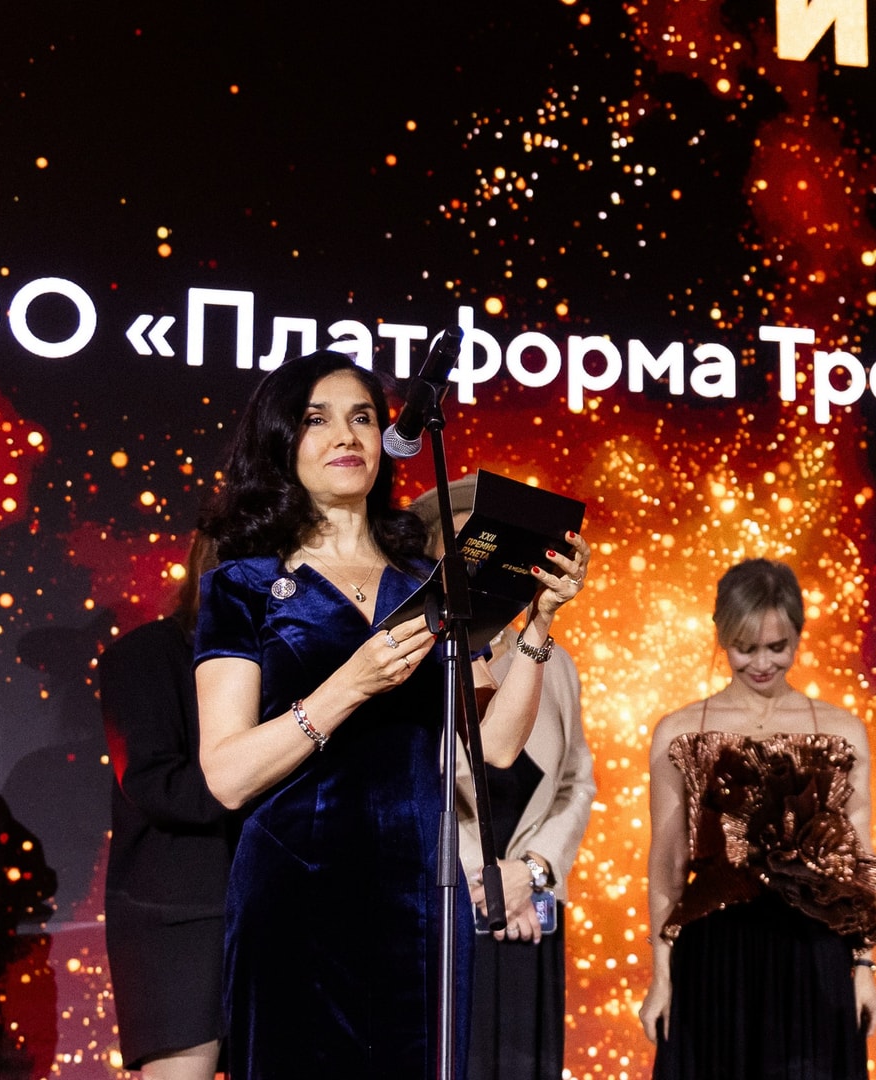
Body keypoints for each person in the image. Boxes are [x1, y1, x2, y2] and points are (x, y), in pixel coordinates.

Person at [192, 350, 589, 1080]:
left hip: (420, 894)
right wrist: (347, 686)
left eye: (363, 418)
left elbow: (497, 748)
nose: (346, 436)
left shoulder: (429, 584)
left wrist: (537, 624)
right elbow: (225, 774)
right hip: (294, 889)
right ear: (281, 440)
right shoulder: (242, 585)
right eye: (317, 420)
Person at [639, 559, 876, 1079]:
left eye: (777, 647)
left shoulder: (842, 730)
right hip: (714, 957)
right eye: (745, 648)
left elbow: (857, 863)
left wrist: (864, 968)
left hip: (814, 956)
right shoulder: (680, 730)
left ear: (798, 636)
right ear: (721, 636)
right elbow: (667, 862)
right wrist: (661, 975)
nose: (761, 663)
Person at [412, 478, 597, 1080]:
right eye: (461, 548)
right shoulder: (409, 656)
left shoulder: (553, 661)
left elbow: (575, 782)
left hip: (531, 915)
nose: (478, 566)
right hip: (446, 903)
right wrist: (482, 876)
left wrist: (533, 871)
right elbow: (416, 783)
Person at [100, 530, 230, 1080]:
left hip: (277, 908)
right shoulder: (145, 655)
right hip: (179, 915)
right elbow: (157, 784)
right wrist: (260, 775)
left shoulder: (294, 663)